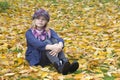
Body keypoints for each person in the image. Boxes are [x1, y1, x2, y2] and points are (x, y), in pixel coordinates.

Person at [25, 8, 79, 75]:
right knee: (47, 42)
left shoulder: (49, 31)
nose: (40, 21)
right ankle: (59, 66)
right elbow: (37, 44)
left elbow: (59, 39)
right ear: (34, 20)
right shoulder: (29, 33)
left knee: (54, 40)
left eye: (43, 19)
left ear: (46, 22)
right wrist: (52, 47)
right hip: (36, 57)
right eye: (38, 19)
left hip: (48, 57)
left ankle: (65, 63)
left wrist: (59, 46)